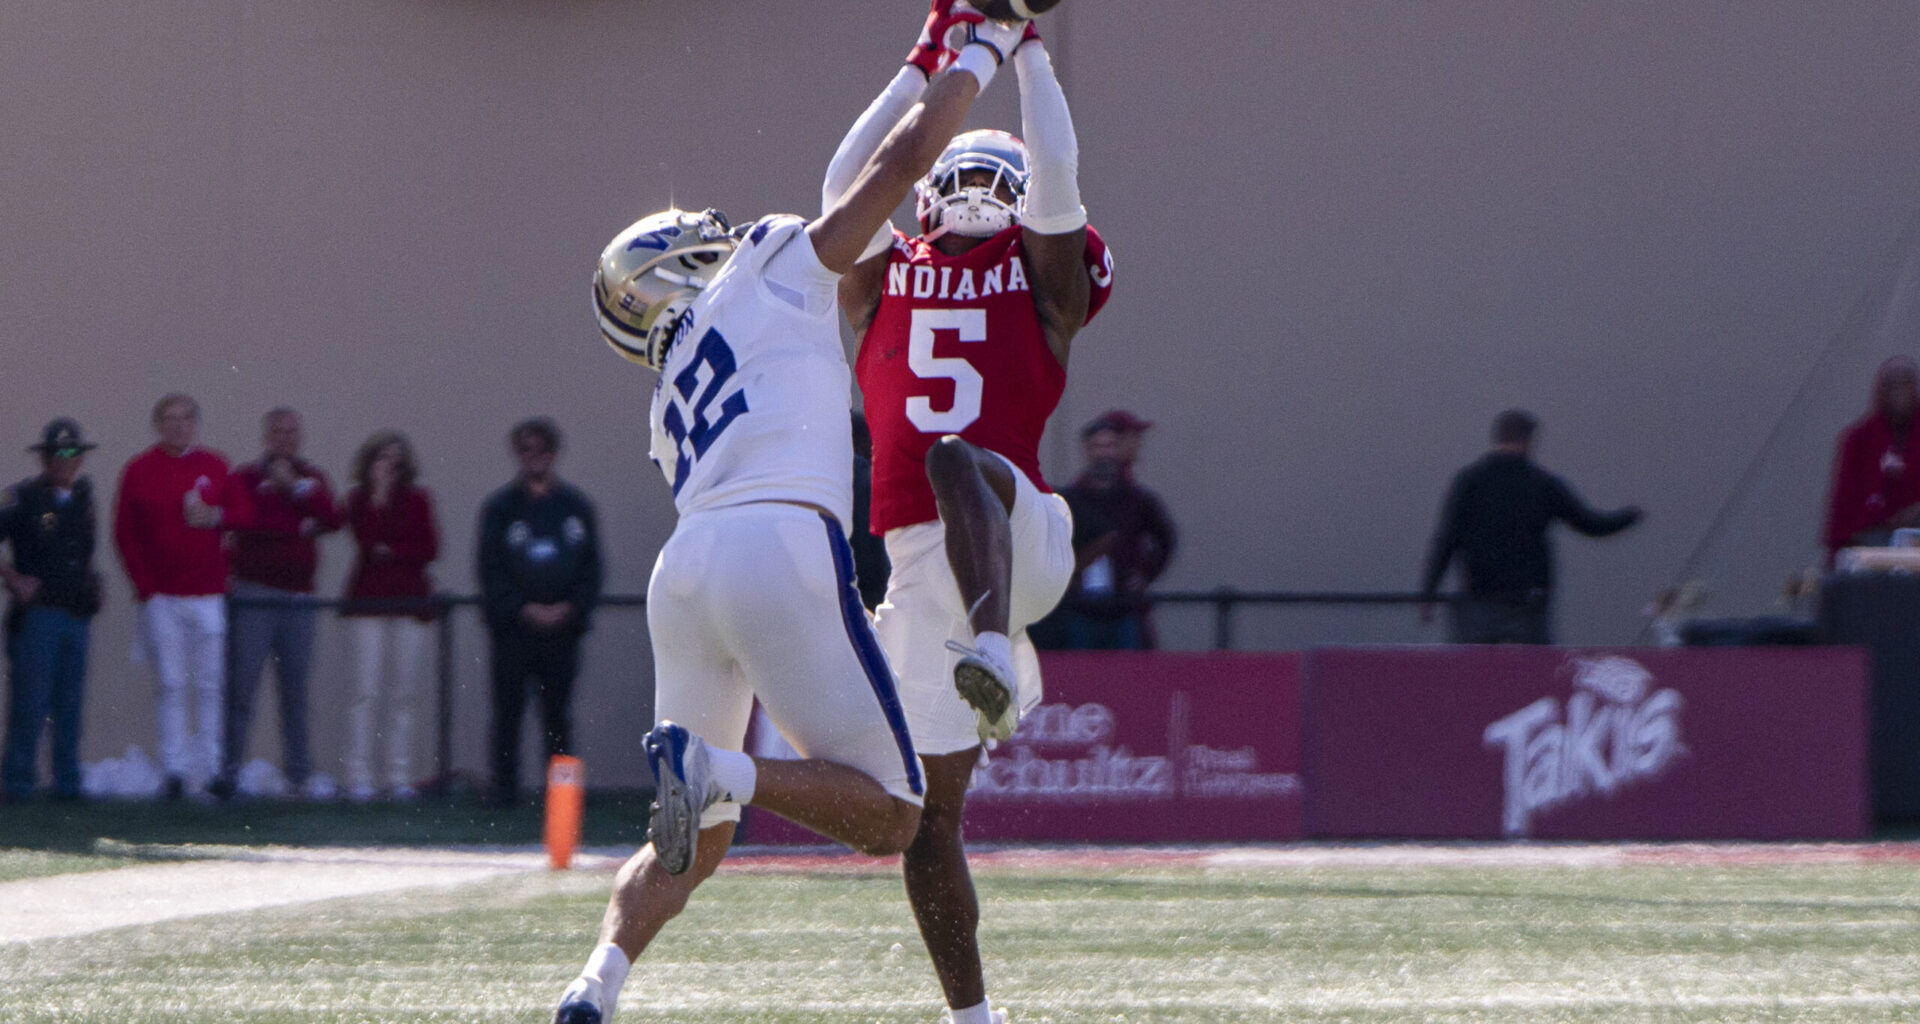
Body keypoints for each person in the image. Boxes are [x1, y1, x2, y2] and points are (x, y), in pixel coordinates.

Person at [554, 5, 1017, 1021]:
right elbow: (894, 165)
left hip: (685, 576)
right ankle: (718, 768)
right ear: (671, 264)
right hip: (776, 545)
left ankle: (596, 982)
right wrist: (984, 46)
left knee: (697, 831)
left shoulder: (665, 399)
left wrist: (927, 50)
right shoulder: (763, 263)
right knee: (896, 812)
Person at [828, 7, 1113, 1020]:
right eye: (968, 169)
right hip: (921, 574)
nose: (985, 185)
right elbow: (848, 181)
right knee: (925, 819)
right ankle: (973, 1016)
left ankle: (993, 647)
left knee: (956, 457)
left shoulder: (1041, 285)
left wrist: (1027, 47)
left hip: (1019, 532)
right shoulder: (884, 277)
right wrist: (925, 62)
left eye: (1003, 175)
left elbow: (1060, 177)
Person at [113, 393, 253, 799]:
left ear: (195, 423)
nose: (178, 425)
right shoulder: (139, 469)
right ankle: (174, 769)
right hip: (163, 598)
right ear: (158, 424)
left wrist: (215, 515)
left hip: (208, 595)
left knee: (210, 684)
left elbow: (245, 513)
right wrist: (146, 588)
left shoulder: (216, 465)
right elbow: (124, 532)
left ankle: (210, 768)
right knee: (171, 683)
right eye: (170, 418)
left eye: (185, 418)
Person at [1419, 409, 1643, 644]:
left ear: (1497, 437)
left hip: (1478, 599)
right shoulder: (1542, 484)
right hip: (1527, 603)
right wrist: (1630, 517)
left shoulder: (1469, 481)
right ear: (1529, 440)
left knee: (1475, 666)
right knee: (1532, 666)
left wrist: (1428, 592)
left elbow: (1447, 540)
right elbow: (1590, 524)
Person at [211, 408, 341, 801]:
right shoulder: (246, 478)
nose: (285, 438)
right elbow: (249, 523)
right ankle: (229, 773)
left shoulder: (312, 478)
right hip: (253, 596)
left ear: (300, 437)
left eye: (292, 432)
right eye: (278, 431)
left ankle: (298, 776)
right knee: (242, 689)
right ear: (266, 436)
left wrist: (296, 491)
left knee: (295, 692)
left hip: (299, 599)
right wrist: (297, 524)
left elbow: (333, 518)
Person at [477, 417, 603, 807]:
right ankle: (504, 792)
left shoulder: (576, 508)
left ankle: (562, 796)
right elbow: (490, 569)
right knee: (508, 713)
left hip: (563, 632)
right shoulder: (500, 509)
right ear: (517, 454)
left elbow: (592, 569)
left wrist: (570, 608)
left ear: (554, 453)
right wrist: (522, 608)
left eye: (543, 449)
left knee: (558, 716)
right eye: (527, 450)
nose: (536, 457)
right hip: (514, 631)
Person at [1, 419, 104, 803]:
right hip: (39, 615)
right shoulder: (20, 498)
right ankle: (17, 782)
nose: (65, 460)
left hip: (76, 613)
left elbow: (81, 551)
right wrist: (12, 578)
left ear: (80, 459)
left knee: (70, 703)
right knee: (31, 702)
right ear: (44, 458)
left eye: (72, 453)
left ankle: (67, 783)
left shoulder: (83, 498)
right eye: (57, 453)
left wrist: (94, 580)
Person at [339, 430, 439, 801]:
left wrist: (393, 550)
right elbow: (366, 540)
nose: (391, 466)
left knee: (403, 694)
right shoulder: (357, 499)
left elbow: (429, 547)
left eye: (397, 460)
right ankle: (359, 776)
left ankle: (398, 775)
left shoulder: (418, 499)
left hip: (410, 603)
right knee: (364, 692)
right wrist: (378, 498)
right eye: (383, 458)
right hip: (368, 603)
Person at [1036, 411, 1176, 650]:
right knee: (1079, 669)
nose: (1104, 454)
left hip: (1123, 608)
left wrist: (1144, 575)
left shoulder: (1138, 500)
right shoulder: (1070, 498)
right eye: (1098, 447)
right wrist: (1066, 578)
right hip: (1079, 609)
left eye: (1110, 446)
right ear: (1087, 451)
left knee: (1126, 669)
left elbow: (1166, 538)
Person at [1824, 356, 1920, 561]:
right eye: (1893, 386)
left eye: (1905, 384)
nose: (1900, 393)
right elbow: (1844, 510)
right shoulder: (1858, 440)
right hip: (1872, 542)